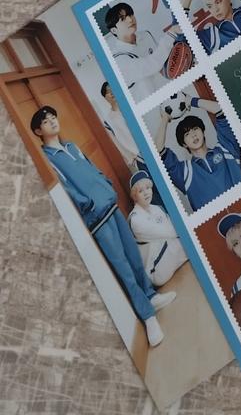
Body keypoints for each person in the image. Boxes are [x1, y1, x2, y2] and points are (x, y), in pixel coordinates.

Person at [31, 106, 175, 348]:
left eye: (54, 117)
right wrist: (87, 204)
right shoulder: (48, 159)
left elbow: (92, 168)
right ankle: (148, 317)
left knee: (133, 255)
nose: (53, 121)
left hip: (111, 205)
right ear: (38, 131)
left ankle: (151, 296)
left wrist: (107, 185)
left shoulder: (72, 146)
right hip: (96, 218)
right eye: (46, 121)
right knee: (123, 267)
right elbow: (66, 189)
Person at [154, 96, 241, 211]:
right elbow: (157, 150)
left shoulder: (225, 148)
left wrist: (191, 100)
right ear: (184, 144)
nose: (193, 135)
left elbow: (220, 109)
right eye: (187, 134)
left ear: (202, 131)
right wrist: (165, 118)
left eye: (195, 129)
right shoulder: (184, 172)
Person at [103, 0, 183, 103]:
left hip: (171, 94)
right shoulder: (117, 59)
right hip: (152, 105)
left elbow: (162, 60)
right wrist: (171, 34)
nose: (130, 19)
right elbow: (151, 65)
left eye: (130, 15)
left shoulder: (145, 35)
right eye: (123, 19)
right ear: (114, 30)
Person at [127, 170, 187, 287]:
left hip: (169, 253)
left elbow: (174, 230)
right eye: (140, 191)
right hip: (155, 270)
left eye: (148, 188)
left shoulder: (156, 208)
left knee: (186, 241)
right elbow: (171, 232)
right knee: (187, 242)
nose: (146, 193)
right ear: (134, 196)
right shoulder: (135, 219)